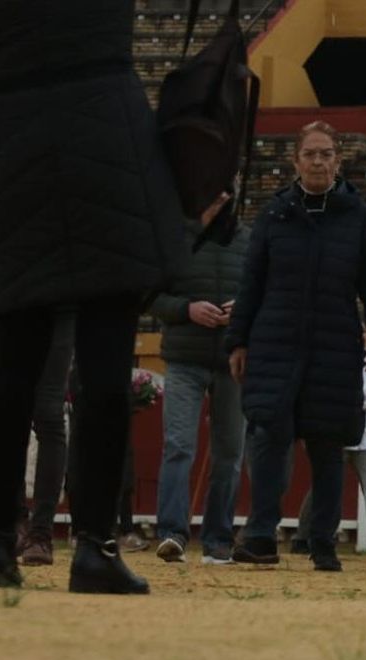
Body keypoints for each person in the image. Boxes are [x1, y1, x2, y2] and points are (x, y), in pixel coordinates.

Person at [0, 0, 189, 592]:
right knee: (105, 372)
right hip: (109, 153)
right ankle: (95, 547)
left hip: (15, 152)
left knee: (10, 377)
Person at [226, 120, 366, 573]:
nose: (318, 161)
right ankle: (261, 535)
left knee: (327, 443)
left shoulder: (359, 216)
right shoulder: (273, 214)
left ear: (337, 160)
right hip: (275, 341)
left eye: (326, 154)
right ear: (295, 161)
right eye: (310, 154)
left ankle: (322, 542)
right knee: (269, 437)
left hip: (335, 344)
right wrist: (238, 339)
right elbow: (252, 281)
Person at [152, 193, 249, 566]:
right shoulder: (172, 237)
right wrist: (186, 309)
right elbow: (151, 295)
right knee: (179, 446)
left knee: (229, 454)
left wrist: (243, 311)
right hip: (184, 358)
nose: (221, 198)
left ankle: (218, 539)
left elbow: (266, 294)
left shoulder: (250, 239)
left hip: (233, 360)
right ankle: (172, 533)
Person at [296, 359, 366, 554]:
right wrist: (364, 396)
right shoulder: (341, 362)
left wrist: (358, 395)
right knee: (326, 484)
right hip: (337, 432)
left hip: (365, 436)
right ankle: (304, 535)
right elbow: (343, 392)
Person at [15, 310, 73, 567]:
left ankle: (38, 531)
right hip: (12, 300)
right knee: (10, 416)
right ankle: (15, 525)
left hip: (55, 303)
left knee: (48, 416)